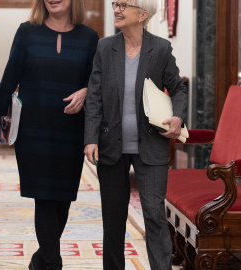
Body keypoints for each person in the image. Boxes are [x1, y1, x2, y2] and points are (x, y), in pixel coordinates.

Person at [84, 0, 187, 269]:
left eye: (124, 5)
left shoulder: (160, 49)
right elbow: (94, 96)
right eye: (116, 4)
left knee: (154, 214)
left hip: (150, 146)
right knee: (114, 219)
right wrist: (91, 138)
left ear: (142, 15)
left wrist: (177, 116)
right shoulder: (105, 48)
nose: (117, 9)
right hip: (110, 145)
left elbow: (178, 88)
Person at [0, 0, 98, 269]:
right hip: (33, 132)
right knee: (43, 199)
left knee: (62, 202)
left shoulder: (89, 37)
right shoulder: (26, 32)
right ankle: (53, 264)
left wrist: (86, 92)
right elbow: (8, 80)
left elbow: (97, 83)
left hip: (70, 132)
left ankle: (40, 260)